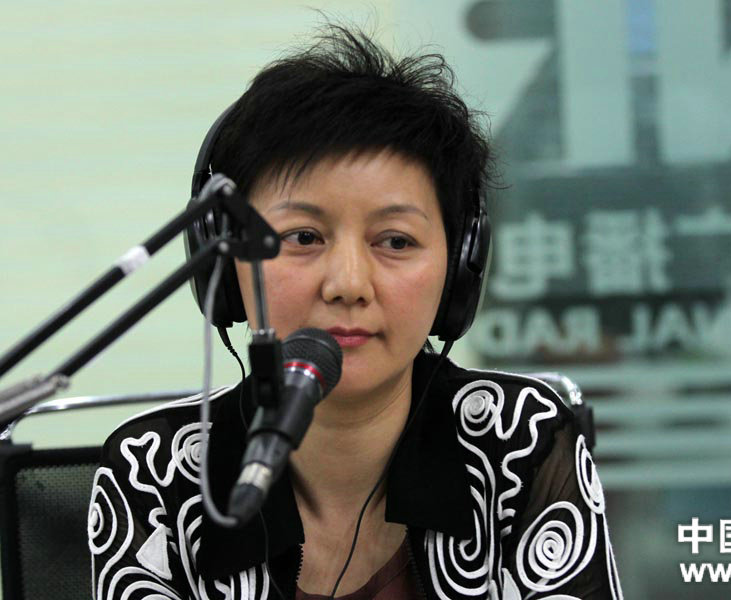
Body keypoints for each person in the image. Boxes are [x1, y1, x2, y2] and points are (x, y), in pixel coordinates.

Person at [88, 24, 621, 600]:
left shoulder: (518, 442)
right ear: (226, 257)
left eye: (395, 241)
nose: (348, 284)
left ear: (460, 267)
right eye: (303, 236)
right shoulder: (156, 474)